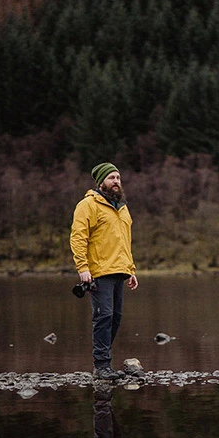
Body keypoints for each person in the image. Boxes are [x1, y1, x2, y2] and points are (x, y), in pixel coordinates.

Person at [70, 162, 138, 380]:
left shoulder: (123, 207)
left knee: (116, 318)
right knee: (104, 317)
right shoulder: (88, 205)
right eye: (111, 178)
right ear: (101, 182)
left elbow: (125, 242)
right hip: (99, 272)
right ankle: (101, 366)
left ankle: (104, 362)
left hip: (120, 270)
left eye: (118, 177)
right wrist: (83, 268)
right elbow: (78, 237)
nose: (116, 181)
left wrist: (131, 269)